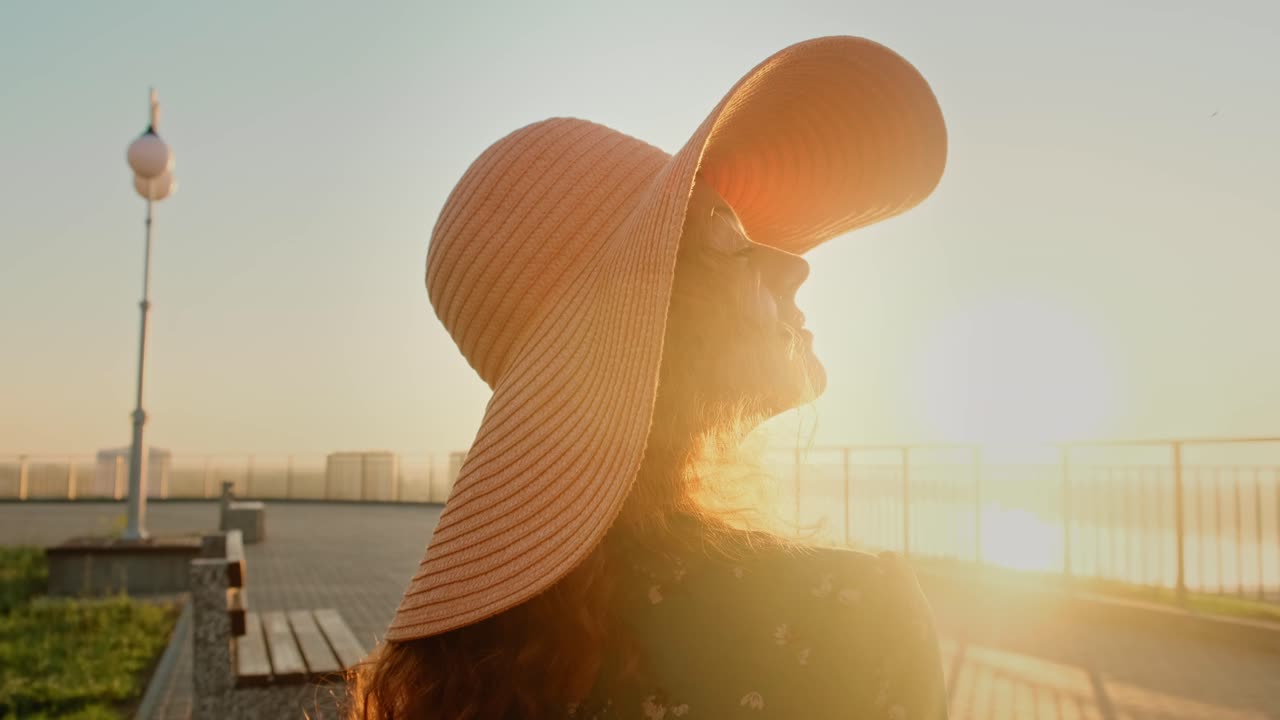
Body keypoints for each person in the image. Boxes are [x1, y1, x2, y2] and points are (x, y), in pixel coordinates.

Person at [353, 36, 949, 719]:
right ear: (654, 320)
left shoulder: (486, 663)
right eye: (727, 234)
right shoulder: (854, 622)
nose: (795, 265)